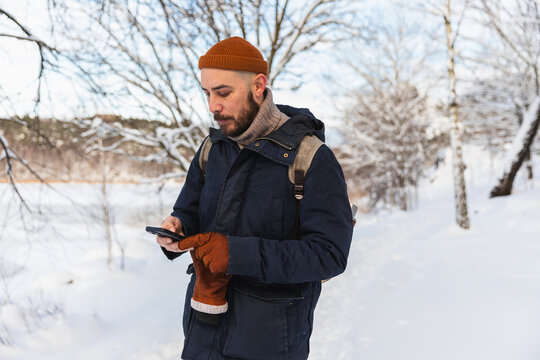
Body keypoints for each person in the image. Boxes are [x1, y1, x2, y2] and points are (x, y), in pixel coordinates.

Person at [156, 36, 353, 360]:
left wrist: (237, 254)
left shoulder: (311, 158)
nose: (212, 105)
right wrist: (178, 227)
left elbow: (329, 255)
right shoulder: (212, 149)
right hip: (202, 331)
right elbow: (188, 210)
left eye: (223, 92)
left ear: (258, 86)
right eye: (207, 93)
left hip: (269, 342)